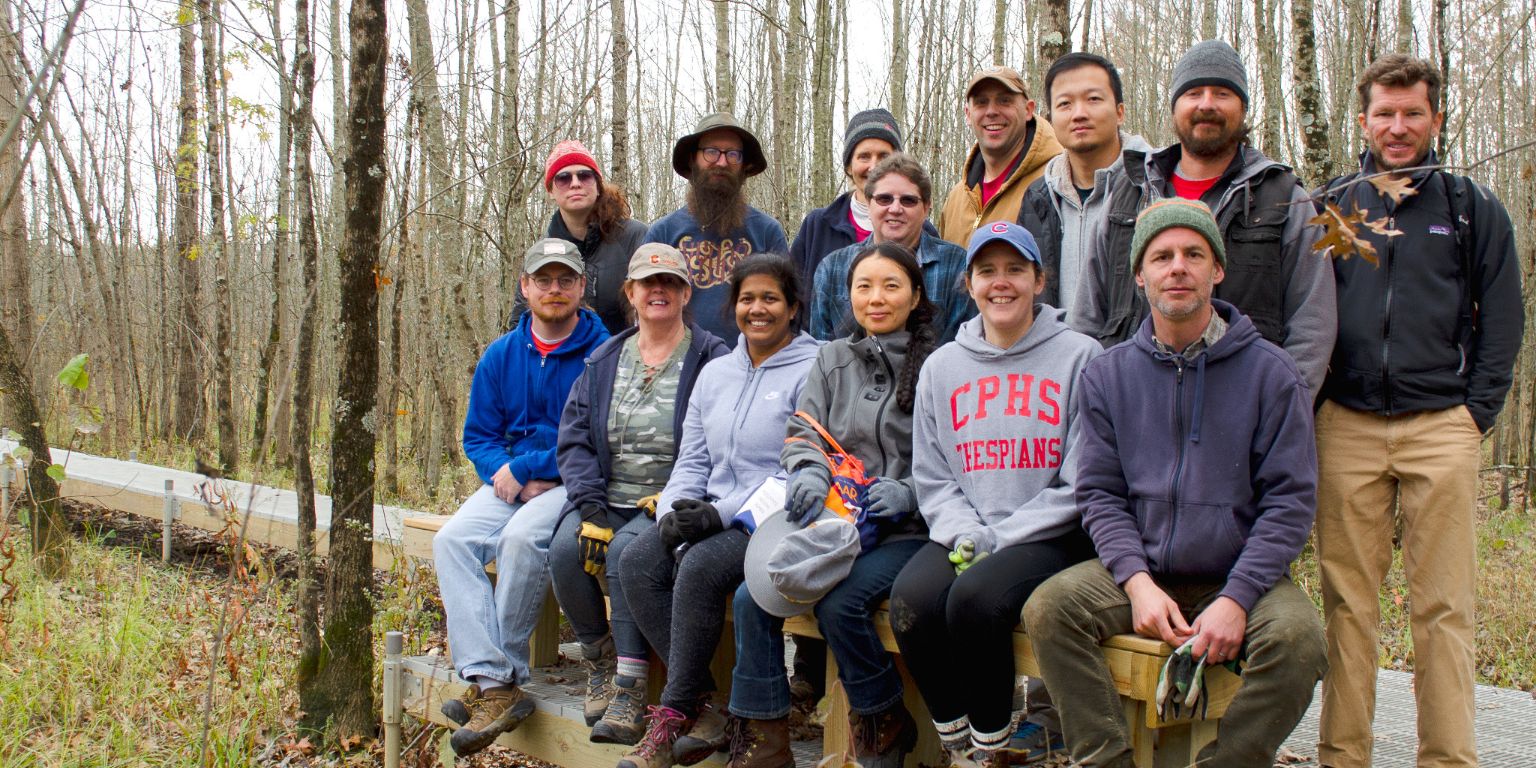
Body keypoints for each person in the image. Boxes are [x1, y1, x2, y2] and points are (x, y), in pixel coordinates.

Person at [1024, 198, 1326, 768]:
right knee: (1049, 610)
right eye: (1161, 256)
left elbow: (1289, 503)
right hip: (1142, 571)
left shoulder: (1271, 373)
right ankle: (1105, 759)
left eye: (1193, 254)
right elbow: (1101, 494)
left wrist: (1237, 599)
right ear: (1140, 276)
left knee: (1299, 641)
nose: (1177, 267)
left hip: (1239, 576)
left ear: (1218, 269)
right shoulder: (1109, 375)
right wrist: (1136, 583)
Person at [1313, 55, 1523, 768]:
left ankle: (1448, 757)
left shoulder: (1471, 207)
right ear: (1364, 118)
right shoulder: (1334, 205)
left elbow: (1503, 317)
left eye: (1411, 113)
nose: (1397, 127)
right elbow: (1310, 316)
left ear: (1436, 118)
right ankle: (1344, 756)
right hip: (1347, 425)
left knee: (1444, 611)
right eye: (1384, 113)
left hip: (1443, 427)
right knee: (1347, 610)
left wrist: (1477, 414)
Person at [888, 221, 1101, 766]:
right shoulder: (943, 367)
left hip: (1051, 533)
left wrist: (999, 537)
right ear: (969, 283)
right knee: (911, 602)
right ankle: (959, 741)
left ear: (1039, 280)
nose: (1000, 283)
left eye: (1015, 270)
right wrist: (964, 531)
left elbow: (1081, 478)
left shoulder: (1082, 357)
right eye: (987, 271)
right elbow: (933, 474)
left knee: (976, 600)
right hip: (966, 529)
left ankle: (992, 748)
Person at [728, 242, 940, 768]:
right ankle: (765, 740)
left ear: (915, 296)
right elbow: (804, 432)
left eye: (891, 285)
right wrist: (809, 471)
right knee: (753, 594)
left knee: (840, 603)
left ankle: (882, 719)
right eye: (864, 286)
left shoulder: (940, 364)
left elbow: (958, 457)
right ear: (849, 295)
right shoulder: (833, 356)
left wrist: (910, 490)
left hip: (907, 532)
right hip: (834, 517)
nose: (876, 297)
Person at [616, 254, 820, 768]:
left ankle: (674, 713)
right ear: (732, 307)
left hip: (776, 516)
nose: (758, 309)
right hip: (709, 509)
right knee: (638, 561)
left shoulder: (814, 368)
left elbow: (798, 465)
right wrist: (673, 509)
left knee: (701, 566)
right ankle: (708, 701)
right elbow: (693, 456)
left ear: (793, 307)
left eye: (770, 298)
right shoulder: (716, 373)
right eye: (747, 298)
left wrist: (719, 514)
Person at [1071, 40, 1334, 398]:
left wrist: (1282, 409)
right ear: (1175, 106)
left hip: (1242, 411)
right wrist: (1099, 403)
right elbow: (1089, 313)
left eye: (1222, 93)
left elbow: (1312, 322)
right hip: (1135, 406)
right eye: (1194, 92)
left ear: (1242, 107)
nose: (1207, 104)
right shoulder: (1129, 191)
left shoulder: (1283, 196)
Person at [433, 238, 612, 757]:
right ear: (525, 286)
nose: (553, 290)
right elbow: (477, 437)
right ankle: (496, 682)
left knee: (519, 539)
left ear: (581, 287)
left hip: (572, 482)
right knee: (452, 540)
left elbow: (597, 437)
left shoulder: (602, 355)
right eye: (543, 280)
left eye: (565, 280)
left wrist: (528, 469)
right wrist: (503, 473)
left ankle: (499, 677)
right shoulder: (501, 355)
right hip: (509, 482)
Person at [549, 243, 730, 745]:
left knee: (627, 552)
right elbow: (575, 438)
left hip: (673, 498)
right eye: (648, 284)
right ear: (630, 292)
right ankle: (600, 659)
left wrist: (678, 494)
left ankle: (630, 690)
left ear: (685, 292)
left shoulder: (711, 357)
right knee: (565, 550)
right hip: (607, 493)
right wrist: (589, 507)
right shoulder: (605, 358)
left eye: (669, 283)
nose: (658, 291)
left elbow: (723, 439)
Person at [1017, 52, 1151, 314]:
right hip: (1056, 353)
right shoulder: (1038, 198)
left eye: (1093, 99)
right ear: (1051, 118)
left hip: (1131, 353)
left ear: (1119, 112)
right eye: (1065, 104)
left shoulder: (1151, 185)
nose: (1079, 114)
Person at [646, 113, 789, 344]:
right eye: (711, 152)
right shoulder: (663, 233)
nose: (722, 162)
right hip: (679, 363)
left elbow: (785, 309)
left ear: (744, 166)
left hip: (749, 363)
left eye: (733, 154)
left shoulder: (766, 232)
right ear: (693, 160)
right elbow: (643, 307)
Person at [810, 153, 975, 344]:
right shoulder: (832, 268)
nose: (895, 209)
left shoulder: (957, 265)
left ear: (927, 207)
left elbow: (962, 351)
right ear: (869, 203)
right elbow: (820, 351)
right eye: (884, 199)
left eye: (908, 200)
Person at [510, 140, 648, 335]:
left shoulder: (635, 237)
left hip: (624, 360)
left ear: (598, 185)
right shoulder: (542, 254)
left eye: (584, 176)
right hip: (563, 361)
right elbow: (519, 324)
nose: (575, 184)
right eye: (563, 178)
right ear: (550, 191)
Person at [790, 109, 940, 287]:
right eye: (864, 156)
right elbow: (792, 294)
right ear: (848, 166)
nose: (874, 166)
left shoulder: (922, 229)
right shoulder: (817, 226)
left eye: (884, 156)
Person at [936, 66, 1062, 246]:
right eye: (981, 102)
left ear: (1028, 110)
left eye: (1004, 101)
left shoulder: (1056, 180)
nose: (992, 111)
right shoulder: (956, 199)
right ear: (968, 114)